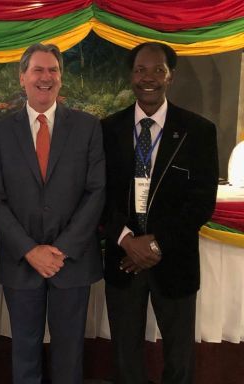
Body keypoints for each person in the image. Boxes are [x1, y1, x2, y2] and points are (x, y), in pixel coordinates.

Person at [0, 43, 105, 384]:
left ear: (61, 79)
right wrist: (30, 250)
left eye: (53, 70)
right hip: (21, 262)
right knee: (24, 351)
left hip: (73, 261)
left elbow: (96, 192)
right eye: (38, 70)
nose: (46, 77)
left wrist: (62, 248)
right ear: (22, 77)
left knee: (70, 354)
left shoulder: (87, 127)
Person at [102, 42, 219, 384]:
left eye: (157, 70)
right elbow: (98, 195)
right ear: (131, 76)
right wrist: (127, 240)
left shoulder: (198, 131)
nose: (147, 78)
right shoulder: (108, 129)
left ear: (170, 76)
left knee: (179, 360)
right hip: (123, 261)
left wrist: (155, 245)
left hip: (174, 262)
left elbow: (201, 202)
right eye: (140, 70)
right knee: (126, 359)